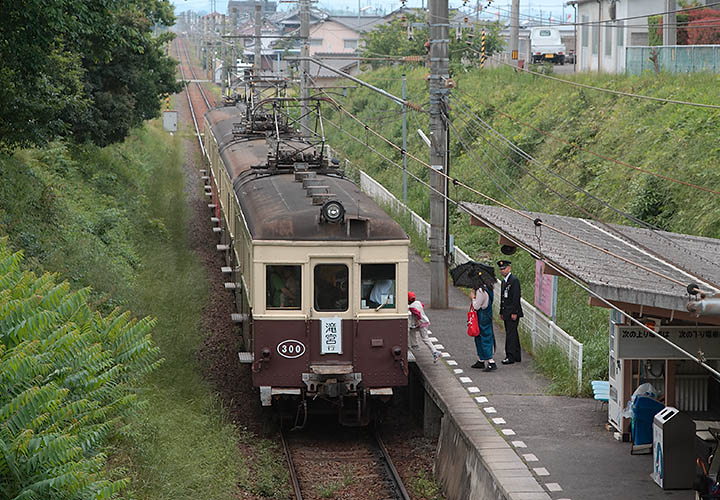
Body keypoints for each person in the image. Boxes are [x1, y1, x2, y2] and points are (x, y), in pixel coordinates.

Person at [498, 259, 523, 364]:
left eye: (504, 268)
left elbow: (516, 297)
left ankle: (510, 356)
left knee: (510, 334)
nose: (502, 271)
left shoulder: (514, 280)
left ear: (509, 268)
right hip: (506, 312)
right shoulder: (504, 281)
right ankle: (517, 355)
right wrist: (501, 311)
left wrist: (515, 312)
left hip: (512, 312)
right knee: (513, 333)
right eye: (501, 269)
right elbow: (503, 298)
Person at [408, 291, 440, 363]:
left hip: (422, 323)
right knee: (411, 330)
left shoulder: (411, 307)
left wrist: (418, 320)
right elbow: (422, 305)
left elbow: (418, 314)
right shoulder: (418, 302)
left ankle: (435, 352)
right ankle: (414, 345)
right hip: (424, 322)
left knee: (425, 339)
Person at [471, 283, 496, 372]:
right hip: (487, 314)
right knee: (482, 336)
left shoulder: (480, 291)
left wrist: (473, 297)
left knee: (483, 337)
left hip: (482, 316)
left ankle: (490, 361)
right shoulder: (489, 288)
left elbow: (476, 306)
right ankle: (481, 359)